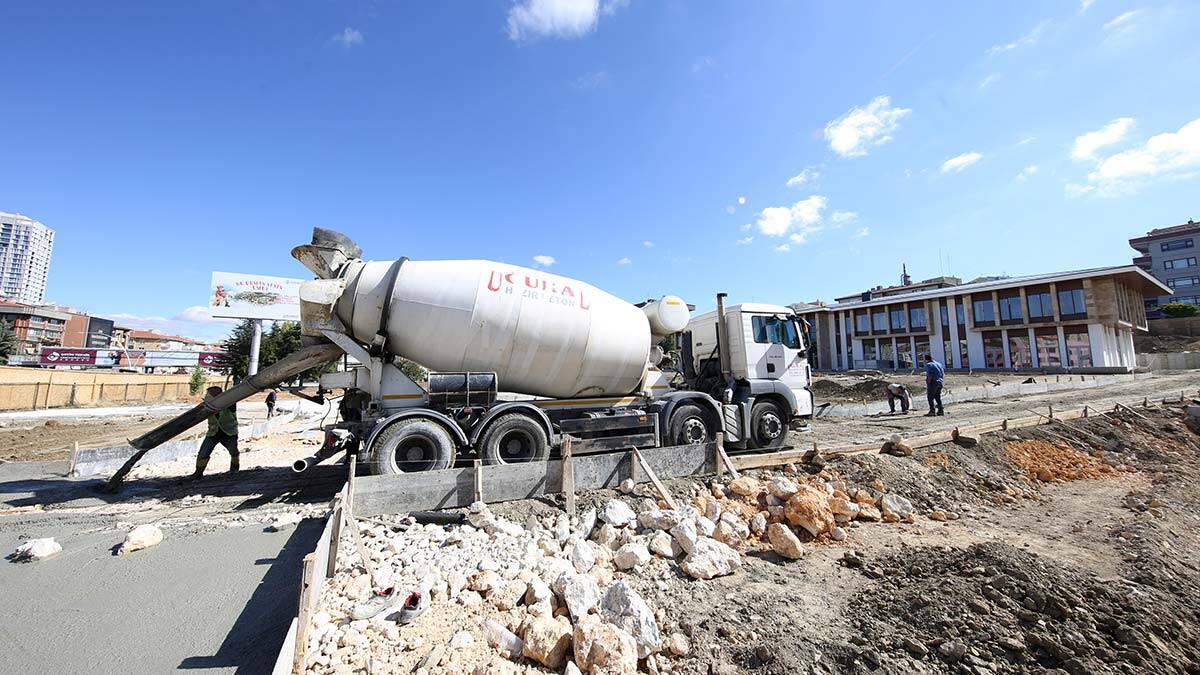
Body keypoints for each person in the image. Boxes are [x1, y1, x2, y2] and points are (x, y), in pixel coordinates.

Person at [189, 386, 239, 479]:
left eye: (209, 394)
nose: (207, 396)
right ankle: (198, 473)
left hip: (229, 432)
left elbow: (233, 398)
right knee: (203, 453)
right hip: (213, 432)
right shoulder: (208, 406)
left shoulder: (230, 404)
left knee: (233, 451)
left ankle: (235, 468)